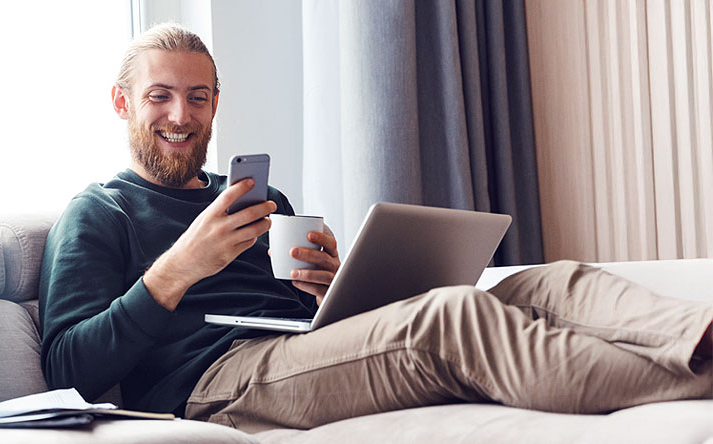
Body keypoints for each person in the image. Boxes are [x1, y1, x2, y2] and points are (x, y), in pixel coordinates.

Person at [38, 23, 713, 432]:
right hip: (214, 382)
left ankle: (699, 333)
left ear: (216, 103)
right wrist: (176, 270)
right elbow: (70, 366)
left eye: (198, 96)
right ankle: (700, 378)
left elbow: (304, 318)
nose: (181, 116)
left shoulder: (252, 198)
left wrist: (328, 289)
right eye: (159, 97)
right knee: (452, 318)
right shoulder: (99, 213)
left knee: (548, 282)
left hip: (303, 347)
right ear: (122, 103)